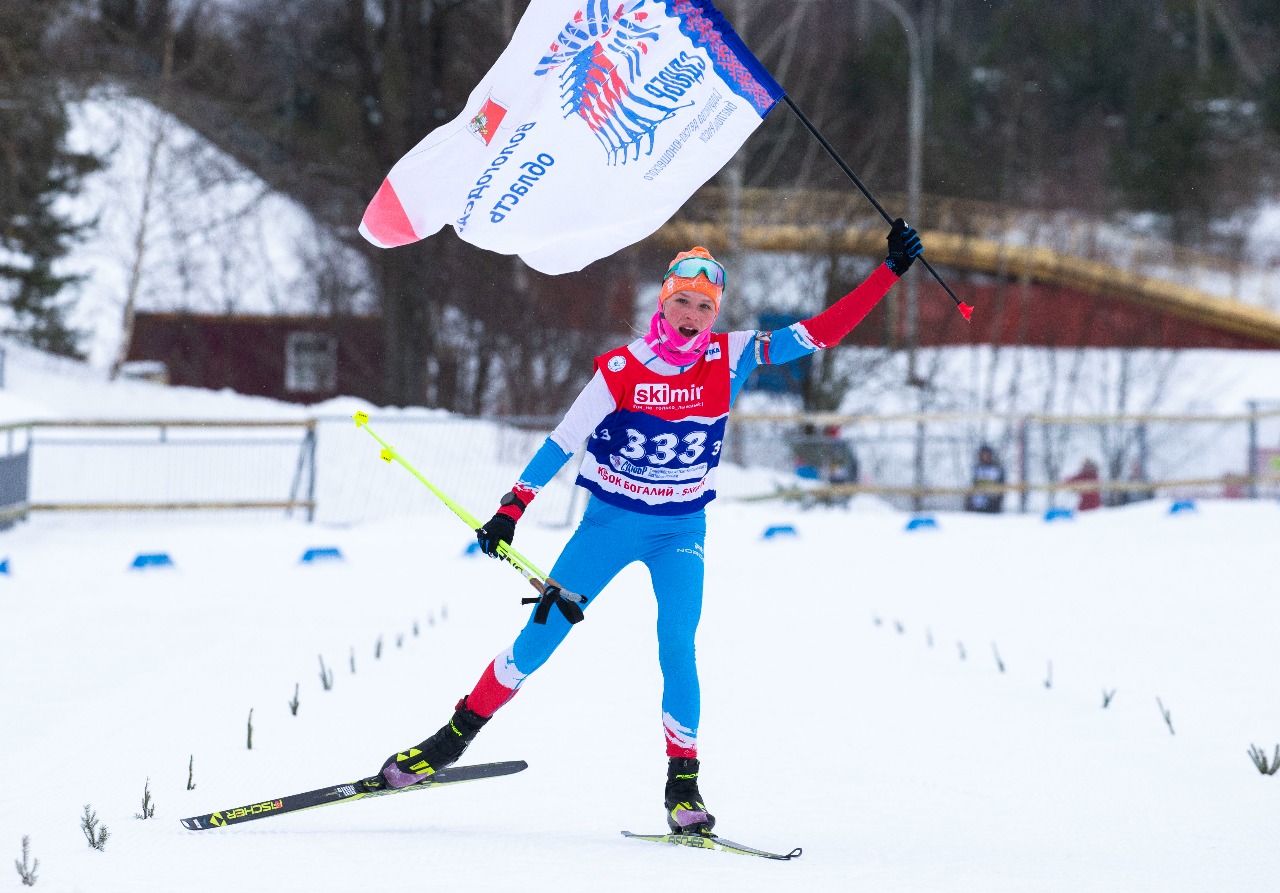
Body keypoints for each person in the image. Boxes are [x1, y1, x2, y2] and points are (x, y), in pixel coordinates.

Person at [363, 220, 924, 834]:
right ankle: (445, 744)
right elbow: (563, 441)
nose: (691, 315)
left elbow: (819, 334)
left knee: (677, 647)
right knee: (537, 642)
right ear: (663, 302)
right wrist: (511, 508)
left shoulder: (732, 354)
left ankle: (682, 787)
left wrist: (889, 273)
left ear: (715, 314)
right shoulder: (623, 368)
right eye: (681, 301)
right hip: (609, 526)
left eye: (704, 306)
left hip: (680, 530)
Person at [964, 444, 1005, 513]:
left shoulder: (996, 469)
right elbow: (973, 486)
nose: (985, 457)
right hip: (976, 506)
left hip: (992, 507)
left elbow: (1001, 488)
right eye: (983, 454)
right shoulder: (977, 469)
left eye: (987, 455)